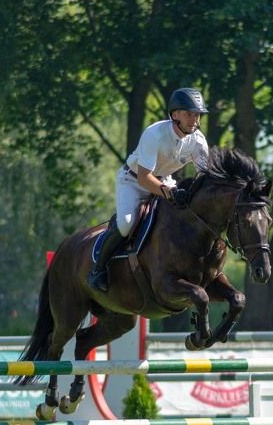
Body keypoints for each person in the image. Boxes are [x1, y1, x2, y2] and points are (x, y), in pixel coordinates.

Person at [87, 87, 210, 292]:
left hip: (164, 181)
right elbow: (145, 178)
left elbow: (204, 176)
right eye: (189, 114)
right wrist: (170, 193)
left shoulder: (198, 141)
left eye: (197, 115)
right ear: (174, 115)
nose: (194, 120)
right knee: (126, 224)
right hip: (133, 181)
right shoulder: (155, 134)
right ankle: (98, 269)